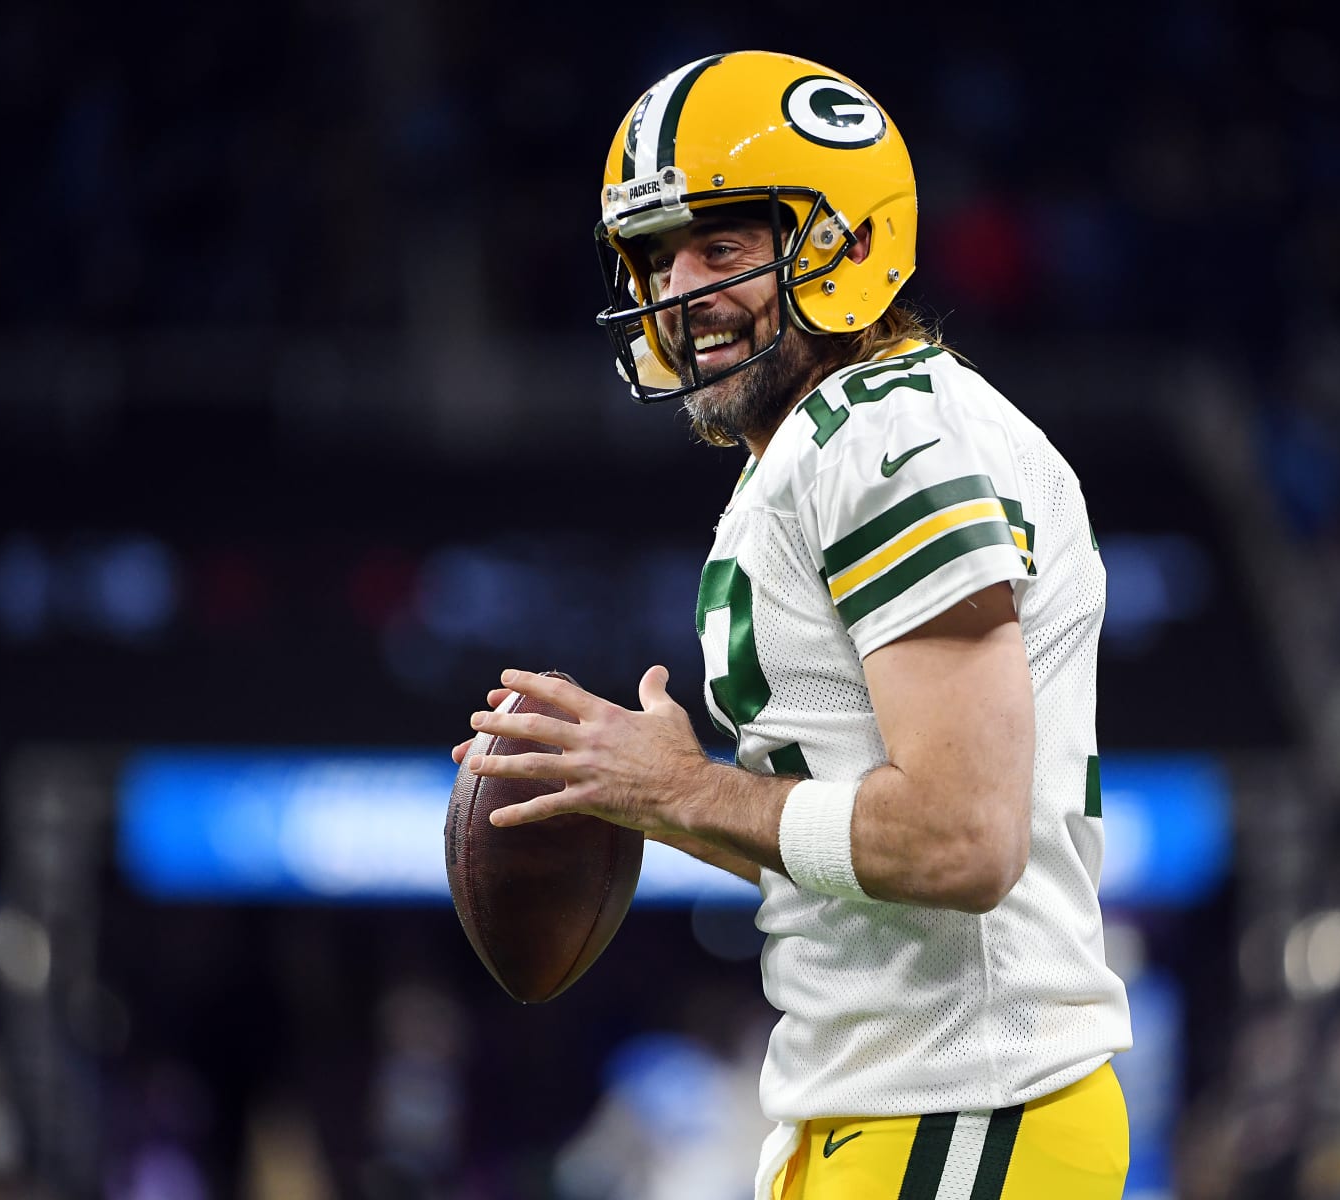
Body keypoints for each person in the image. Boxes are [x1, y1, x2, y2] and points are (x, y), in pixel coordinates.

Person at [452, 50, 1132, 1199]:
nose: (682, 293)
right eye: (657, 259)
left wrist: (684, 793)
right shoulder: (842, 440)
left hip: (964, 1105)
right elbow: (873, 845)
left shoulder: (887, 439)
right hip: (892, 1111)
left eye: (721, 246)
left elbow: (963, 841)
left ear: (844, 239)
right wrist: (658, 790)